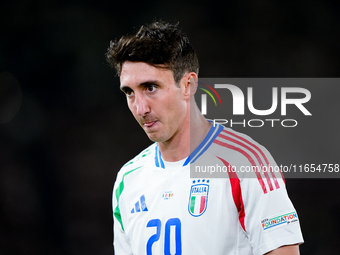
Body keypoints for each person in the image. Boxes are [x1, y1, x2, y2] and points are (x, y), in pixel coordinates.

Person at [106, 21, 303, 255]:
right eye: (129, 92)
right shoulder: (128, 180)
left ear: (188, 84)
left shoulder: (247, 162)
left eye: (150, 87)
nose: (140, 108)